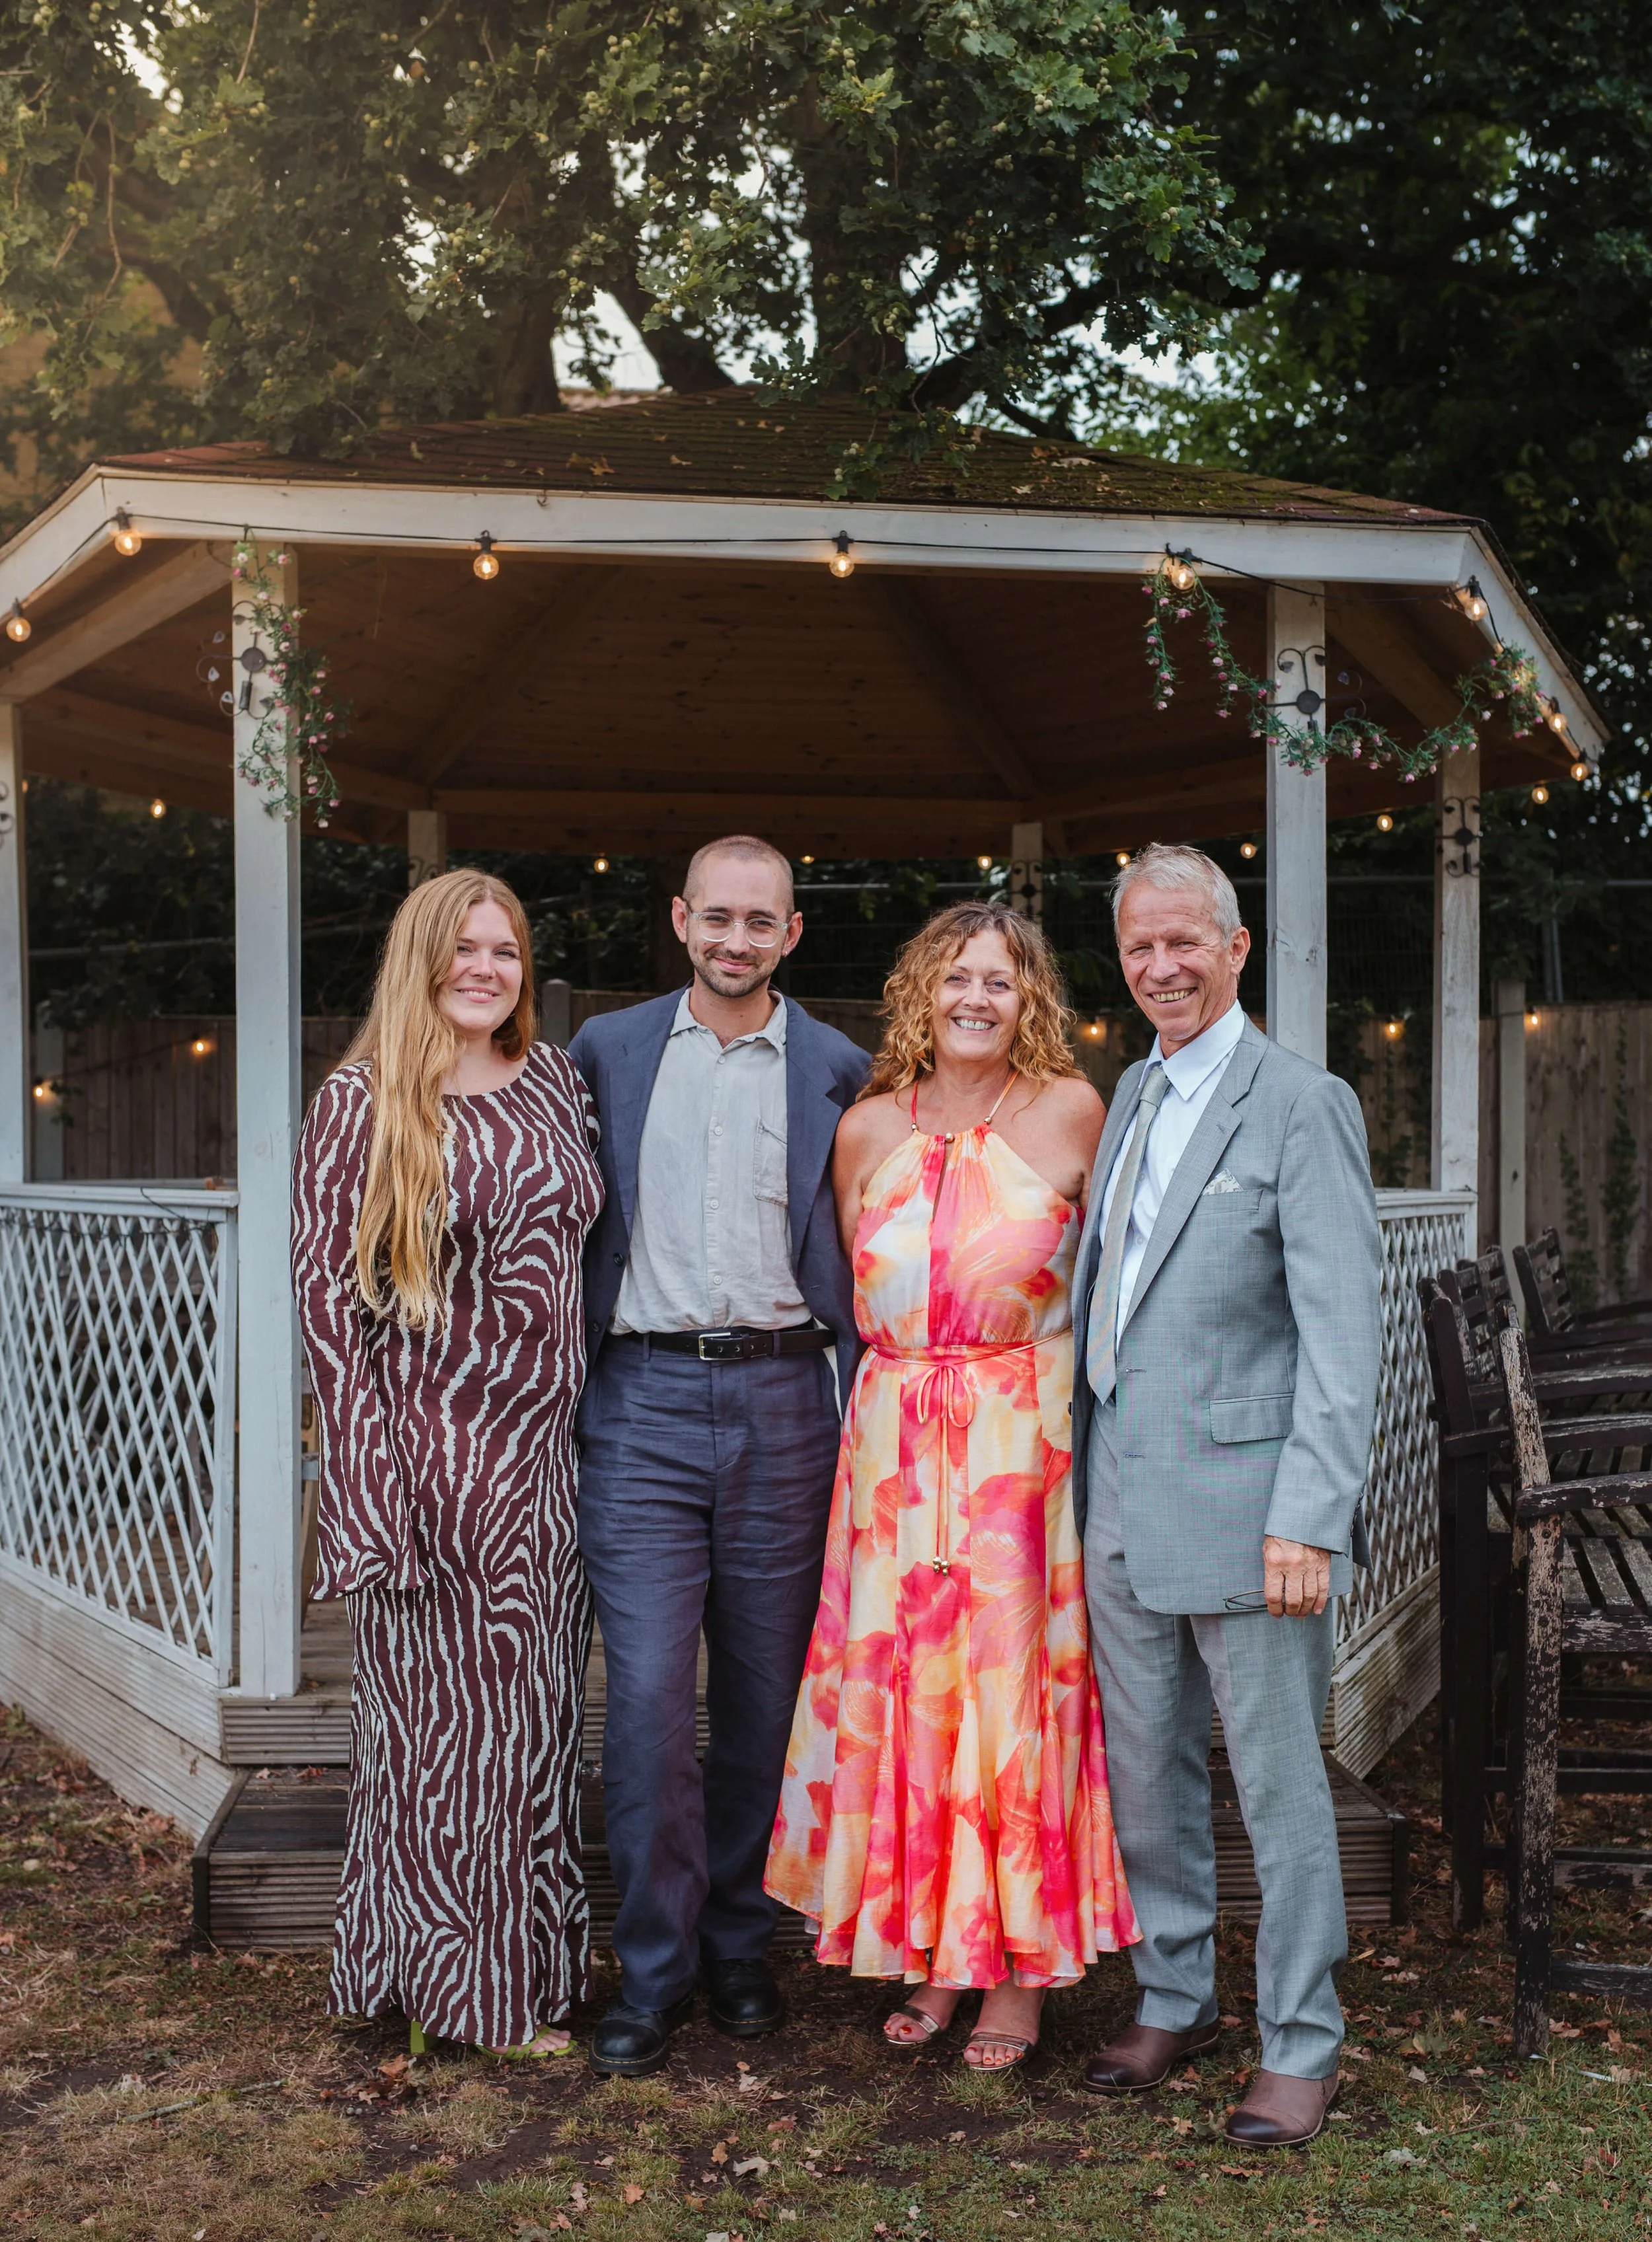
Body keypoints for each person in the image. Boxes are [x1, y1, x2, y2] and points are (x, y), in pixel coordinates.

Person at [766, 901, 1139, 2070]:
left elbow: (1118, 1286)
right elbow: (846, 1297)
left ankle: (1014, 1978)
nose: (977, 998)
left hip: (1017, 1453)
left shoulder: (1078, 1112)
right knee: (909, 1698)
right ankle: (928, 1952)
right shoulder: (865, 1127)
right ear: (920, 992)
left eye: (1002, 980)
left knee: (1006, 1701)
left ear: (1034, 999)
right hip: (888, 1457)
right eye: (957, 978)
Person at [1071, 842, 1382, 2147]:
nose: (1160, 967)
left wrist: (1310, 1512)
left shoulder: (1296, 1102)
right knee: (1144, 1778)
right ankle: (1175, 1991)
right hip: (1121, 1505)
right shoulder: (1129, 1092)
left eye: (1183, 942)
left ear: (1236, 947)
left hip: (1259, 1517)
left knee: (1273, 1780)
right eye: (1140, 946)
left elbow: (1342, 1329)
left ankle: (1300, 2038)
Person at [569, 834, 870, 2077]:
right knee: (643, 1702)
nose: (738, 940)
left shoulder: (846, 1073)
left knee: (760, 1700)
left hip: (786, 1399)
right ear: (681, 919)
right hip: (638, 1403)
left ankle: (741, 1942)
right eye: (718, 918)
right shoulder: (605, 1055)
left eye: (763, 922)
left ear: (790, 935)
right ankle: (653, 1966)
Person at [291, 870, 602, 2060]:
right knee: (431, 1739)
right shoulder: (366, 1102)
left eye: (506, 951)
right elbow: (330, 1312)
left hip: (547, 1470)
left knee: (527, 1736)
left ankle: (513, 1974)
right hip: (430, 1465)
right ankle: (456, 1996)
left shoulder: (558, 1084)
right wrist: (370, 1489)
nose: (485, 969)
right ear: (420, 961)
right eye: (463, 949)